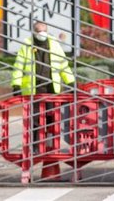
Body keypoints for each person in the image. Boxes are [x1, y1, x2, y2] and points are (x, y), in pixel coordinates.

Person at [11, 22, 75, 163]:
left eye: (43, 31)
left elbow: (63, 65)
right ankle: (34, 146)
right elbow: (18, 66)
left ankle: (50, 145)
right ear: (34, 32)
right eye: (39, 31)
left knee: (53, 119)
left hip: (52, 90)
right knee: (34, 121)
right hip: (33, 90)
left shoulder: (54, 45)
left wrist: (70, 82)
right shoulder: (26, 46)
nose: (41, 34)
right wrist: (16, 85)